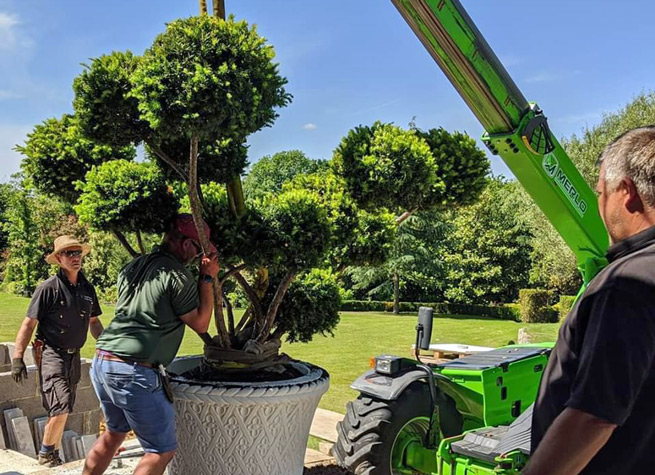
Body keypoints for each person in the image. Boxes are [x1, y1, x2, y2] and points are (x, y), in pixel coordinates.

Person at [525, 126, 655, 474]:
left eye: (600, 192)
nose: (599, 205)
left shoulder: (629, 284)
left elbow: (593, 418)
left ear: (626, 192)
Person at [82, 214, 219, 475]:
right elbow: (201, 323)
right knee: (160, 451)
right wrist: (207, 278)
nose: (197, 256)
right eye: (198, 249)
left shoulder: (133, 266)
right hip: (134, 371)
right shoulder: (177, 277)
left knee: (113, 434)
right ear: (187, 244)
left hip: (104, 361)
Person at [11, 235, 103, 467]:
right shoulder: (48, 288)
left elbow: (94, 322)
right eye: (69, 253)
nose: (75, 257)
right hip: (51, 352)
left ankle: (52, 453)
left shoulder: (87, 289)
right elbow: (29, 324)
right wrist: (17, 357)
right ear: (59, 258)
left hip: (73, 356)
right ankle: (46, 454)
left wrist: (108, 345)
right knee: (60, 406)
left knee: (65, 406)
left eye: (78, 253)